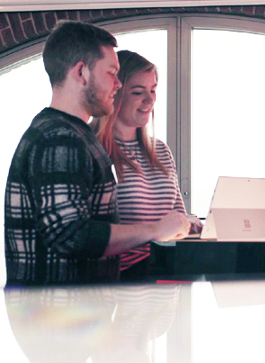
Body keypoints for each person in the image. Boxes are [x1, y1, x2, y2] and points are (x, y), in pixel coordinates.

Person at [4, 21, 191, 286]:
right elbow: (70, 236)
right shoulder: (61, 138)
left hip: (73, 314)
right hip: (58, 318)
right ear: (81, 73)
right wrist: (155, 230)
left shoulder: (71, 135)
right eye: (112, 73)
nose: (117, 84)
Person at [92, 50, 203, 280]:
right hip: (120, 288)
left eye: (152, 90)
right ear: (114, 92)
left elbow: (178, 217)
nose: (150, 100)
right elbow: (89, 236)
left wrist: (192, 224)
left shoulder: (161, 150)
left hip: (164, 287)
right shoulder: (94, 148)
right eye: (138, 92)